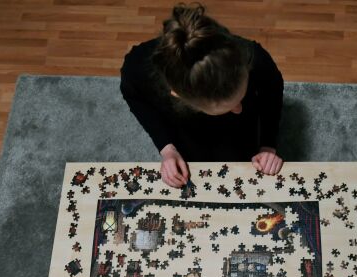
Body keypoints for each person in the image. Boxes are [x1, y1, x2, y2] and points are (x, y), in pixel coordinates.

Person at [120, 3, 285, 188]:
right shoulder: (137, 68)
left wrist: (268, 146)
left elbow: (273, 94)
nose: (239, 109)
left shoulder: (256, 58)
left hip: (241, 133)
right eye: (228, 107)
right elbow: (135, 99)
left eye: (241, 95)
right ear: (178, 97)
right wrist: (167, 148)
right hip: (186, 129)